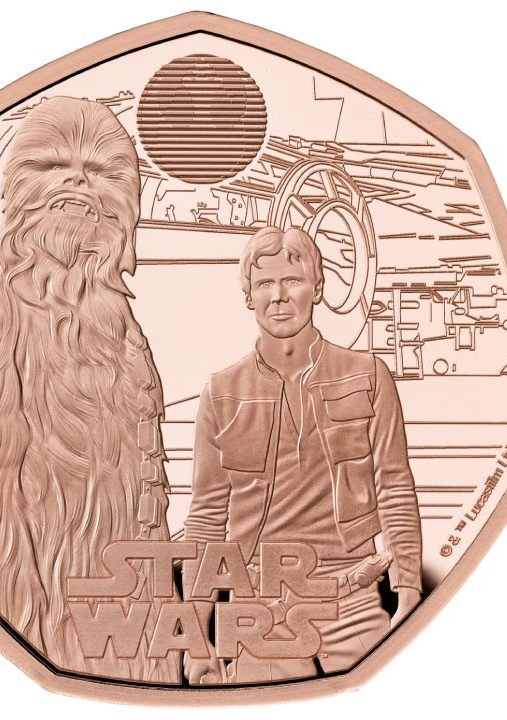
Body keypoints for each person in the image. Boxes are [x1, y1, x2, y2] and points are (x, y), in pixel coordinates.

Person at [183, 226, 422, 684]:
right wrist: (195, 629)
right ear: (248, 296)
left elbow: (394, 486)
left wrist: (408, 587)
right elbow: (207, 515)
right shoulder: (221, 392)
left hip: (352, 600)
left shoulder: (369, 376)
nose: (278, 296)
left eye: (292, 281)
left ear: (318, 287)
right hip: (258, 607)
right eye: (264, 284)